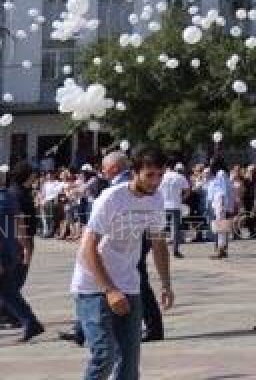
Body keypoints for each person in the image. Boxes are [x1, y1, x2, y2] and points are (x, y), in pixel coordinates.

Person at [70, 147, 175, 380]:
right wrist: (109, 290)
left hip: (128, 283)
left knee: (129, 362)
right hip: (93, 285)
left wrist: (166, 284)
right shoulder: (111, 198)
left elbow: (159, 244)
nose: (155, 181)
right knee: (104, 354)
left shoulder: (156, 199)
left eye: (160, 175)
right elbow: (88, 247)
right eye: (150, 175)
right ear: (135, 172)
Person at [0, 160, 43, 342]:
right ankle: (30, 322)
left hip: (3, 253)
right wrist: (26, 248)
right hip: (10, 252)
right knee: (8, 290)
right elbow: (20, 226)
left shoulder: (6, 198)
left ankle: (29, 321)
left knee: (8, 290)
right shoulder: (9, 196)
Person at [156, 164, 187, 259]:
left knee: (161, 228)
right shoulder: (181, 177)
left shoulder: (163, 176)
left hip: (163, 205)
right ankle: (175, 250)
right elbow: (188, 190)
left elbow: (156, 189)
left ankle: (159, 249)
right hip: (175, 205)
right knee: (175, 229)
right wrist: (182, 198)